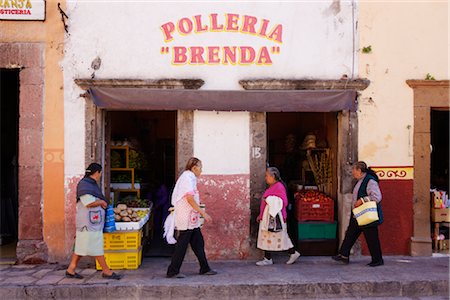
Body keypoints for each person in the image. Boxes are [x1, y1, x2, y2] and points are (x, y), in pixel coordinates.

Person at [66, 163, 121, 280]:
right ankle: (107, 271)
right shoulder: (85, 184)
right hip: (88, 223)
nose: (100, 175)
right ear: (97, 172)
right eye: (100, 173)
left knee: (81, 246)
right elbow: (88, 202)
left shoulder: (90, 184)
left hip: (90, 222)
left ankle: (71, 269)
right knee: (96, 246)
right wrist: (102, 202)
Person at [166, 157, 217, 278]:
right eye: (200, 168)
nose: (201, 170)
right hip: (186, 216)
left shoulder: (190, 177)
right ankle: (172, 271)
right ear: (194, 168)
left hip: (191, 217)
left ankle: (204, 268)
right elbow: (189, 198)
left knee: (198, 242)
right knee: (182, 244)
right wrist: (202, 213)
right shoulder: (187, 178)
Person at [332, 161, 384, 267]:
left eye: (354, 170)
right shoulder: (361, 180)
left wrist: (362, 200)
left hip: (367, 215)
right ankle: (344, 255)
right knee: (350, 234)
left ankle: (377, 259)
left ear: (359, 170)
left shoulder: (370, 181)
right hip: (358, 214)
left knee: (372, 237)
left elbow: (377, 197)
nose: (352, 173)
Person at [256, 167, 301, 266]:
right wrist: (261, 215)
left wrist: (268, 199)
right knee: (267, 236)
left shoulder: (279, 186)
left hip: (276, 219)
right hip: (268, 217)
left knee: (282, 237)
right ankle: (268, 258)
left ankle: (292, 252)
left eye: (267, 176)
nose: (266, 178)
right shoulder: (273, 186)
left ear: (273, 176)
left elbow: (283, 202)